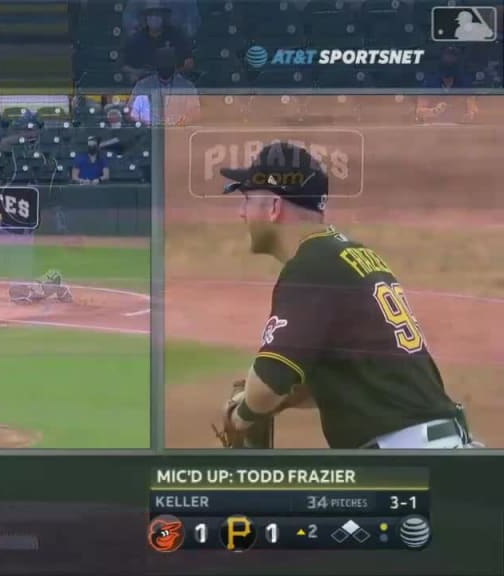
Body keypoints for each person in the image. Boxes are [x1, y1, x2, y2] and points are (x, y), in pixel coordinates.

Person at [215, 142, 482, 449]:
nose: (241, 212)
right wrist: (281, 398)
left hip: (406, 456)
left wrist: (243, 414)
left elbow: (269, 380)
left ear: (274, 208)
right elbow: (352, 375)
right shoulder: (350, 255)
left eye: (247, 199)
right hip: (438, 446)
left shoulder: (310, 266)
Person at [121, 2, 193, 84]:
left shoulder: (177, 36)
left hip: (174, 83)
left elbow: (189, 62)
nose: (154, 17)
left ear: (163, 16)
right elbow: (124, 66)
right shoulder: (136, 39)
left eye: (157, 14)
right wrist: (138, 72)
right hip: (144, 84)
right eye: (150, 14)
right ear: (146, 17)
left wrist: (173, 73)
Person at [129, 47, 201, 126]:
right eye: (163, 65)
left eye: (168, 65)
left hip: (178, 132)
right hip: (148, 133)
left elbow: (195, 113)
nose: (165, 68)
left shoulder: (187, 87)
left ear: (174, 66)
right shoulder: (143, 86)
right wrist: (145, 123)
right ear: (157, 66)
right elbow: (132, 112)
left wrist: (181, 123)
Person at [416, 47, 478, 123]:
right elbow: (419, 112)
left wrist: (471, 114)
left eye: (453, 58)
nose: (450, 60)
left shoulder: (464, 82)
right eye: (447, 58)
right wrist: (435, 111)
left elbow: (473, 107)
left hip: (459, 128)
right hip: (432, 128)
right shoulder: (429, 83)